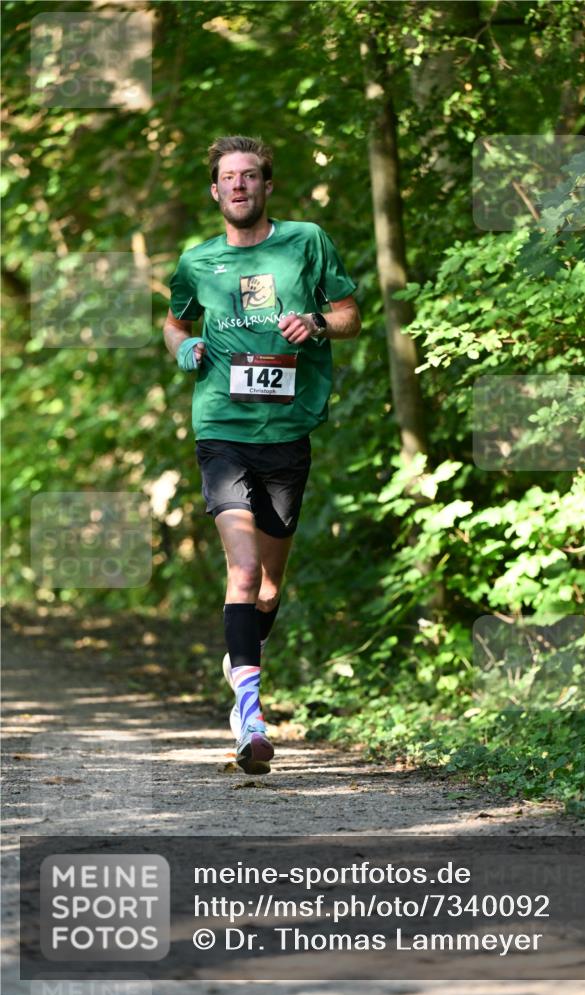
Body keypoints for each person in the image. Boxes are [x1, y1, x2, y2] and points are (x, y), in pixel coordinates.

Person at [163, 135, 361, 774]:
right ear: (215, 191)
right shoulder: (198, 263)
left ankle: (242, 649)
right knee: (243, 572)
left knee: (270, 587)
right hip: (222, 432)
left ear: (267, 186)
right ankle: (249, 717)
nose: (240, 186)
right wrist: (182, 350)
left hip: (288, 435)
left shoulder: (306, 241)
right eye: (229, 177)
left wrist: (319, 325)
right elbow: (175, 322)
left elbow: (351, 314)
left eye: (251, 176)